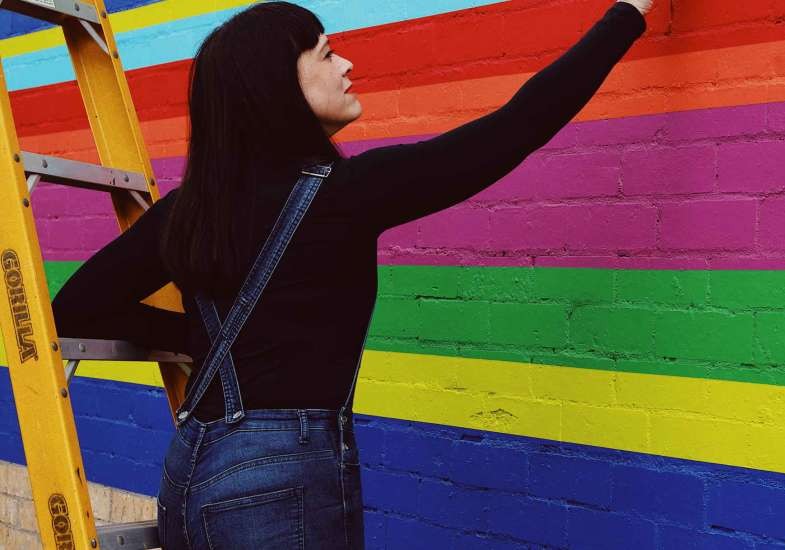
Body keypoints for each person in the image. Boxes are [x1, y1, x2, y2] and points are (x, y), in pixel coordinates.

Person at [51, 0, 654, 548]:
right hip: (283, 478)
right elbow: (515, 127)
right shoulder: (348, 195)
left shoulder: (190, 210)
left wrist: (198, 342)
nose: (347, 65)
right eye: (327, 53)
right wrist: (628, 12)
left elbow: (76, 307)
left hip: (191, 470)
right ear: (276, 85)